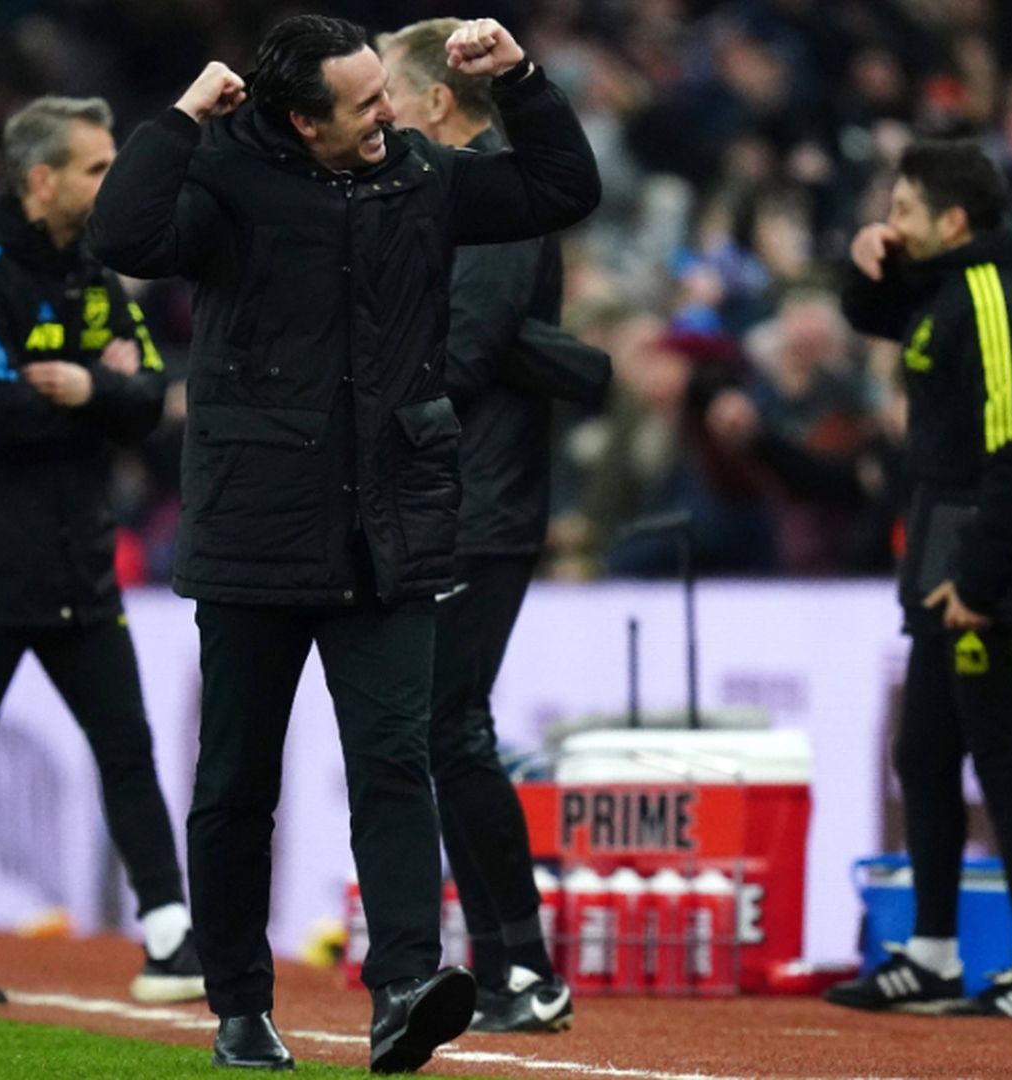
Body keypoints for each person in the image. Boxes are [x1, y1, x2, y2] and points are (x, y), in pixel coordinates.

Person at [87, 15, 599, 1073]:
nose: (388, 114)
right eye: (363, 103)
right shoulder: (226, 182)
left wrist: (524, 83)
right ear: (299, 119)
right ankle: (239, 1005)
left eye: (384, 94)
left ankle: (406, 985)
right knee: (236, 782)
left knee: (396, 765)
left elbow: (561, 190)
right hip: (254, 536)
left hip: (389, 532)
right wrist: (183, 117)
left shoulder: (418, 174)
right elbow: (122, 235)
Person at [0, 96, 202, 1012]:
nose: (110, 181)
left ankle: (168, 934)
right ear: (42, 180)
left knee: (127, 745)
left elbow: (149, 397)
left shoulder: (92, 272)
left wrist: (88, 389)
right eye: (97, 167)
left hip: (77, 561)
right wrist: (94, 391)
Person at [376, 16, 611, 1035]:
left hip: (481, 503)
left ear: (436, 101)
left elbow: (459, 353)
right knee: (444, 731)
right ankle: (504, 960)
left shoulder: (493, 199)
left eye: (386, 86)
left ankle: (524, 963)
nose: (375, 106)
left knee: (453, 727)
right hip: (459, 498)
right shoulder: (450, 197)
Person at [821, 140, 1012, 1017]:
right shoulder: (944, 290)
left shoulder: (999, 300)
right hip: (946, 549)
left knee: (1005, 764)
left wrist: (980, 579)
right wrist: (864, 261)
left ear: (954, 222)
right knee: (924, 753)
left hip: (996, 563)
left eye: (904, 213)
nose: (893, 225)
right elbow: (875, 316)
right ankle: (933, 954)